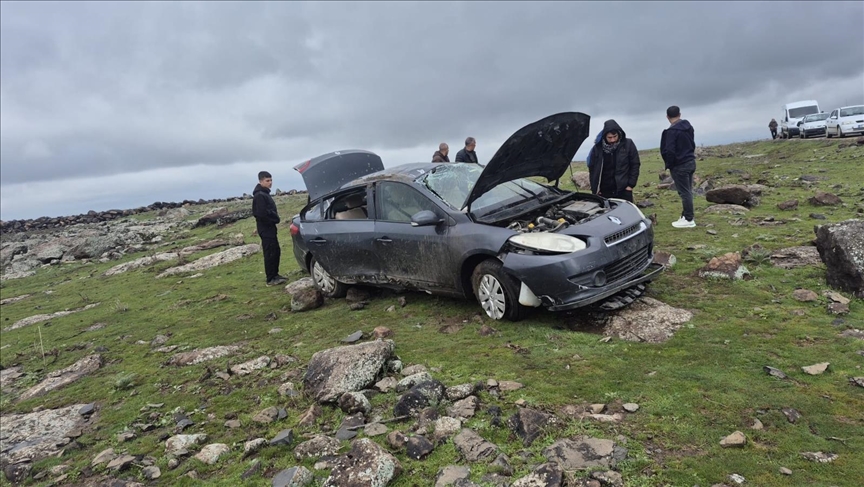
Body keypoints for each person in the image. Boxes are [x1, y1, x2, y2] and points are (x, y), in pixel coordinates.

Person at [660, 106, 697, 228]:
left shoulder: (671, 132)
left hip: (679, 165)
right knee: (688, 190)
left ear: (667, 117)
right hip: (690, 161)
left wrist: (670, 164)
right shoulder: (688, 127)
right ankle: (685, 215)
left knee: (684, 192)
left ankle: (689, 219)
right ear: (679, 114)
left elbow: (670, 150)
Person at [587, 120, 640, 203]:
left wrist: (630, 185)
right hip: (604, 191)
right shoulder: (597, 148)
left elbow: (635, 164)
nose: (613, 140)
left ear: (619, 134)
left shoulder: (628, 144)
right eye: (610, 137)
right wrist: (595, 189)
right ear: (604, 136)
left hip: (623, 190)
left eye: (615, 136)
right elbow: (592, 169)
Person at [252, 171, 287, 285]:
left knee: (275, 251)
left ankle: (275, 274)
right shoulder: (260, 195)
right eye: (267, 181)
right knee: (270, 252)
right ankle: (271, 278)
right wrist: (273, 218)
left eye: (271, 180)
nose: (270, 183)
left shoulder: (264, 194)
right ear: (261, 181)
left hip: (270, 228)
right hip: (266, 229)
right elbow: (261, 214)